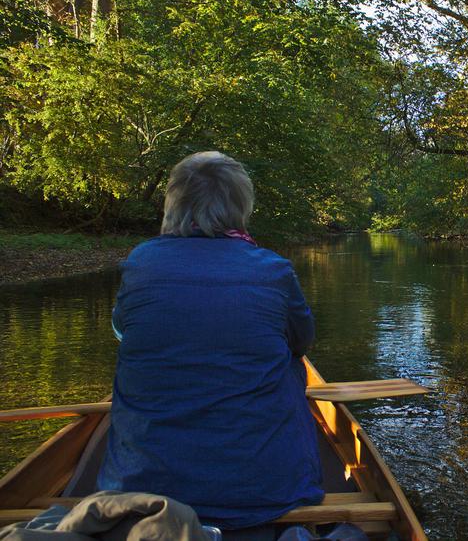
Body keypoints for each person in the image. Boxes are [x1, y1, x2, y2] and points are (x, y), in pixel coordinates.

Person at [97, 151, 323, 539]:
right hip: (262, 493)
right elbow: (302, 341)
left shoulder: (141, 263)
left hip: (139, 489)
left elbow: (122, 331)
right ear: (240, 207)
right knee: (292, 363)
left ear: (173, 204)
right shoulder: (272, 269)